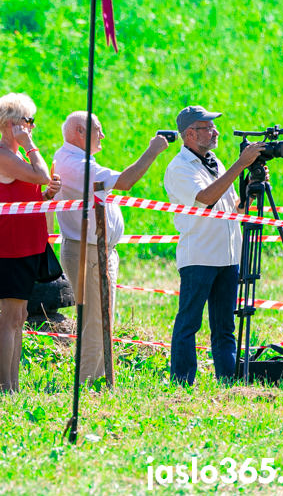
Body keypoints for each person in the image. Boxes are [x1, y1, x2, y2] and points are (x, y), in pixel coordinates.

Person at [53, 111, 169, 384]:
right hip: (89, 249)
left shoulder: (78, 160)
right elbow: (126, 181)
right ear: (81, 132)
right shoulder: (75, 163)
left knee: (100, 319)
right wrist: (152, 151)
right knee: (94, 320)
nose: (103, 135)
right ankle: (88, 383)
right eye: (98, 129)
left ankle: (98, 379)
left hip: (97, 248)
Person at [164, 105, 265, 386]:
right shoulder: (179, 168)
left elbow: (231, 205)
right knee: (189, 323)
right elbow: (206, 197)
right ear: (190, 134)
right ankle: (182, 382)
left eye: (213, 126)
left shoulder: (215, 162)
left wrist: (249, 190)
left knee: (225, 328)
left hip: (228, 254)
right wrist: (240, 164)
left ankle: (228, 382)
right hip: (199, 255)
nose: (215, 131)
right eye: (208, 127)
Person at [0, 93, 61, 393]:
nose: (31, 128)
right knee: (10, 315)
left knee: (20, 315)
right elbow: (41, 174)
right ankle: (5, 386)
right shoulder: (2, 155)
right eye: (27, 122)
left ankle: (12, 384)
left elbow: (29, 190)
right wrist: (30, 146)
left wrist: (44, 196)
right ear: (9, 124)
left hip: (28, 242)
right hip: (9, 246)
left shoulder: (15, 159)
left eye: (31, 123)